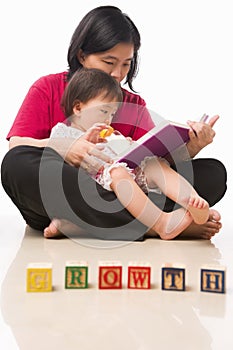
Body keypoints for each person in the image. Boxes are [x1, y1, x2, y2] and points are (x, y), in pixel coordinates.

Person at [1, 5, 226, 242]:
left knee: (212, 174)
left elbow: (158, 163)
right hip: (69, 190)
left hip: (123, 190)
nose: (118, 74)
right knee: (16, 164)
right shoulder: (48, 88)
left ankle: (79, 225)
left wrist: (193, 146)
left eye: (126, 64)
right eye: (109, 62)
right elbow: (18, 146)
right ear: (81, 56)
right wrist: (64, 147)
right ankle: (153, 226)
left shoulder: (132, 103)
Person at [44, 67, 210, 240]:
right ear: (78, 108)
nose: (108, 120)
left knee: (154, 164)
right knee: (117, 173)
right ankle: (161, 223)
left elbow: (121, 154)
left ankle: (190, 200)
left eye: (112, 114)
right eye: (104, 111)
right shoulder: (63, 132)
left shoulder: (110, 133)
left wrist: (130, 146)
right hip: (96, 182)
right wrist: (84, 143)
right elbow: (56, 158)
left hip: (124, 173)